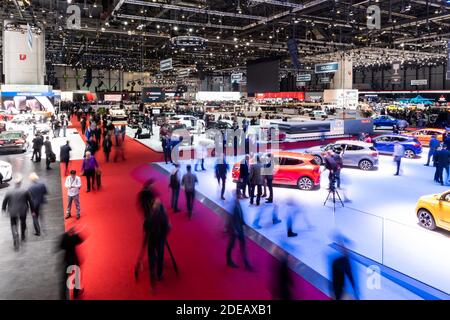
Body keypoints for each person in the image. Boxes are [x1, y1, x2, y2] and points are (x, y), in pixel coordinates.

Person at [136, 183, 170, 289]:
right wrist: (165, 234)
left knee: (152, 255)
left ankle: (152, 272)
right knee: (160, 254)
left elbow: (145, 227)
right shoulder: (162, 213)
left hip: (151, 237)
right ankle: (159, 274)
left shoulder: (148, 214)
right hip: (160, 238)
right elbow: (167, 226)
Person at [2, 176, 34, 251]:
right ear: (20, 183)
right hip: (23, 210)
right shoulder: (25, 191)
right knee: (23, 223)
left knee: (13, 224)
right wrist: (33, 211)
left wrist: (3, 209)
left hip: (13, 211)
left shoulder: (9, 191)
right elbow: (30, 201)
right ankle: (23, 236)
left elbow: (5, 201)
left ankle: (15, 236)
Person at [226, 196, 252, 270]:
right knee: (231, 245)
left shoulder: (238, 204)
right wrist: (234, 229)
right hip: (234, 230)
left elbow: (240, 216)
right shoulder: (234, 206)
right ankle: (228, 260)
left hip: (239, 229)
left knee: (242, 245)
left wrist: (245, 224)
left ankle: (246, 263)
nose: (241, 196)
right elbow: (231, 218)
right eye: (240, 195)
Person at [330, 234, 359, 300]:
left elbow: (350, 276)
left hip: (340, 286)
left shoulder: (342, 261)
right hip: (338, 287)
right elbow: (349, 276)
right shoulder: (337, 261)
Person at [60, 227, 85, 299]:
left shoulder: (64, 236)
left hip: (66, 260)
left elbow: (61, 246)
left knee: (64, 280)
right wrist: (78, 233)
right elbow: (81, 239)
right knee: (77, 277)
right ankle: (76, 294)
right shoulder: (74, 238)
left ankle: (63, 296)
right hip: (73, 261)